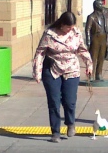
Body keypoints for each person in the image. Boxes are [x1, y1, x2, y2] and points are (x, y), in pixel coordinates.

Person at [32, 12, 93, 143]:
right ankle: (55, 132)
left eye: (71, 27)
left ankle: (70, 123)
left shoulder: (76, 33)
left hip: (71, 69)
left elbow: (82, 49)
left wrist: (89, 64)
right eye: (67, 27)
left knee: (69, 101)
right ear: (61, 24)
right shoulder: (49, 34)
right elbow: (40, 52)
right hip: (52, 69)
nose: (69, 30)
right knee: (54, 101)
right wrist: (37, 71)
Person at [85, 0, 108, 81]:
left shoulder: (104, 16)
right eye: (100, 4)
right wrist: (88, 41)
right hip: (95, 38)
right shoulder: (91, 17)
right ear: (96, 6)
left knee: (101, 57)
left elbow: (105, 28)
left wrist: (107, 41)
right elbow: (87, 29)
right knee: (93, 57)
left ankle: (99, 74)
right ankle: (91, 75)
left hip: (103, 38)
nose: (102, 6)